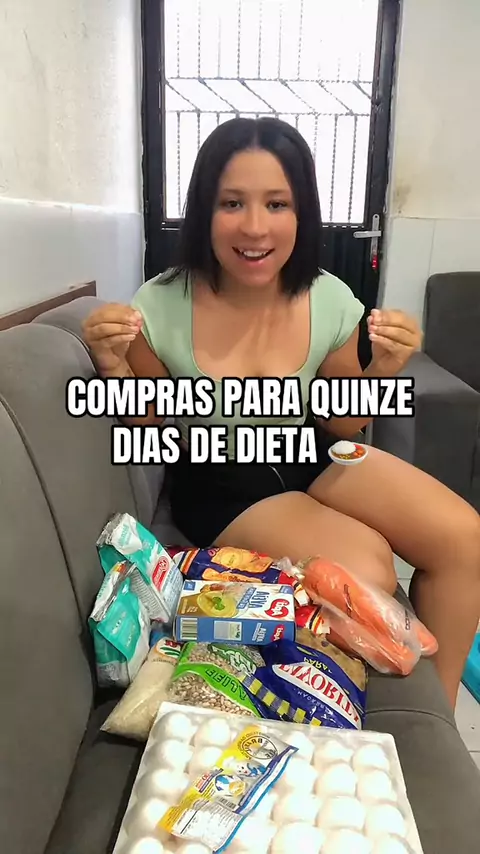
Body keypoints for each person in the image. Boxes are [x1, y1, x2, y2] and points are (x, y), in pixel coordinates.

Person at [83, 117, 480, 709]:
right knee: (369, 572)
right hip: (221, 476)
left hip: (314, 452)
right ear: (204, 211)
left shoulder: (330, 298)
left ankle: (438, 720)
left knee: (463, 537)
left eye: (277, 204)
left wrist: (384, 368)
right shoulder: (159, 304)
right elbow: (153, 426)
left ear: (302, 213)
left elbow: (341, 424)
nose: (254, 227)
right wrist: (114, 363)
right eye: (231, 203)